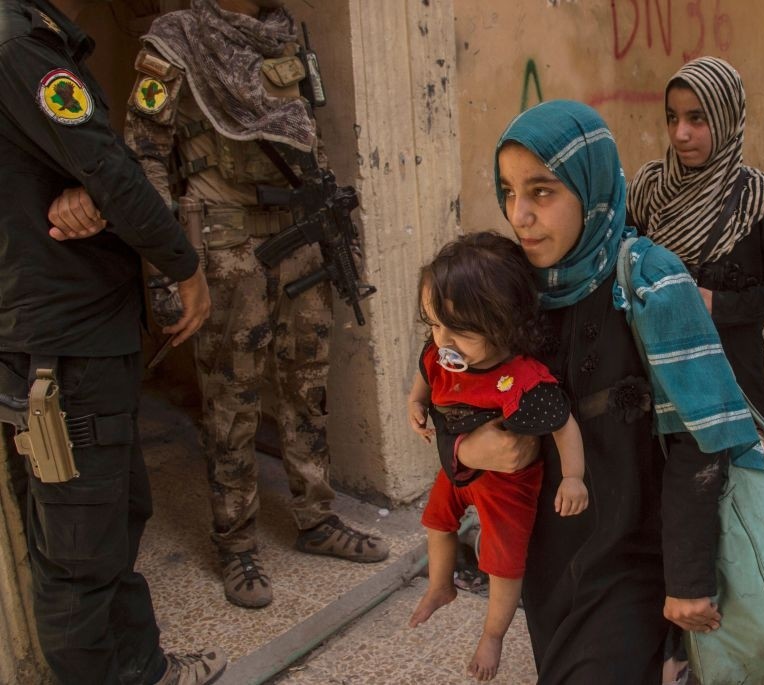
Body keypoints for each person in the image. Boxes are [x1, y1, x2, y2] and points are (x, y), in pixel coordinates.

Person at [435, 100, 761, 684]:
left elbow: (698, 439)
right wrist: (463, 453)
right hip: (547, 554)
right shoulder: (511, 286)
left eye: (542, 192)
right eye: (509, 193)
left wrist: (688, 578)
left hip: (634, 551)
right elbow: (455, 390)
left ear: (592, 188)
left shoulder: (650, 282)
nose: (521, 215)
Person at [123, 0, 388, 610]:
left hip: (298, 236)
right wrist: (167, 270)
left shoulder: (282, 34)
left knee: (307, 385)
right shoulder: (176, 41)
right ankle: (236, 542)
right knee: (232, 400)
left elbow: (308, 138)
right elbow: (145, 160)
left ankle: (316, 520)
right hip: (225, 244)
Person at [0, 0, 225, 683]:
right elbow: (108, 164)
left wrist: (86, 188)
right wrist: (186, 266)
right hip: (64, 346)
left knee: (115, 516)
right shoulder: (19, 50)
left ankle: (143, 668)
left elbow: (78, 165)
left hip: (73, 334)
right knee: (80, 554)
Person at [406, 232, 589, 681]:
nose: (441, 340)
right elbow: (425, 372)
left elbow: (565, 426)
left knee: (503, 564)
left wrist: (573, 478)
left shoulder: (523, 381)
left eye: (458, 330)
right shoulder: (441, 352)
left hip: (509, 486)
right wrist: (415, 402)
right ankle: (440, 586)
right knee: (436, 522)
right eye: (433, 323)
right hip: (460, 471)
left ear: (503, 323)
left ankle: (494, 633)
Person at [627, 56, 764, 430]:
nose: (680, 133)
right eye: (672, 117)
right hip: (660, 368)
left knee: (748, 475)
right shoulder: (649, 189)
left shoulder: (759, 197)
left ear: (726, 116)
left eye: (696, 118)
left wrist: (725, 305)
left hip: (734, 374)